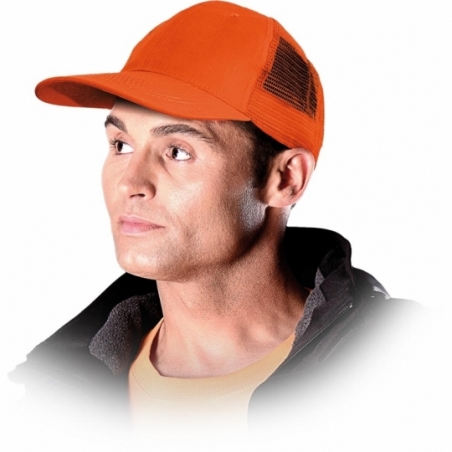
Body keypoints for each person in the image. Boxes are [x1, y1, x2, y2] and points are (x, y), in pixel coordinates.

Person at [8, 0, 423, 445]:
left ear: (285, 179)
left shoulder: (409, 373)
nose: (130, 183)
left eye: (178, 151)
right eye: (121, 144)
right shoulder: (54, 399)